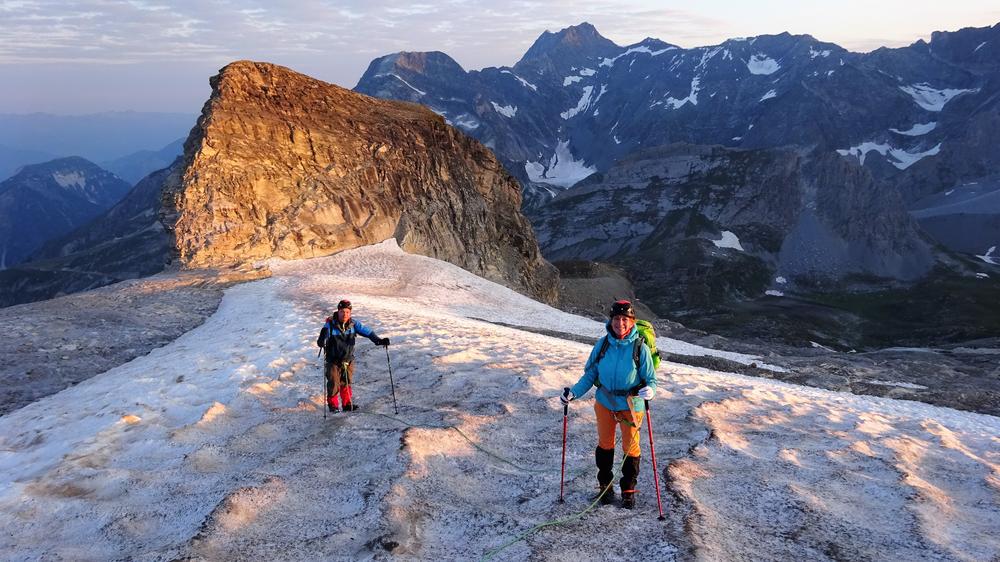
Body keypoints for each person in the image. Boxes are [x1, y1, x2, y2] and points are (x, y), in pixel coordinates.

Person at [561, 300, 657, 509]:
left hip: (631, 405)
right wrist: (574, 393)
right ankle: (605, 486)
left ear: (632, 322)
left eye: (625, 319)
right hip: (605, 402)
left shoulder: (640, 347)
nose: (620, 323)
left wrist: (650, 390)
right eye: (616, 318)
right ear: (611, 320)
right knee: (605, 444)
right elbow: (591, 375)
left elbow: (651, 379)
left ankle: (628, 490)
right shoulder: (603, 345)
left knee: (631, 447)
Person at [316, 299, 389, 412]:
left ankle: (347, 404)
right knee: (334, 383)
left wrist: (378, 340)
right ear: (338, 311)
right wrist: (322, 341)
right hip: (333, 361)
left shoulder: (354, 324)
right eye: (342, 311)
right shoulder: (330, 324)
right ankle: (333, 406)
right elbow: (323, 335)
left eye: (347, 312)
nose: (344, 314)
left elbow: (368, 332)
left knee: (346, 382)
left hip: (348, 360)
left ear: (350, 313)